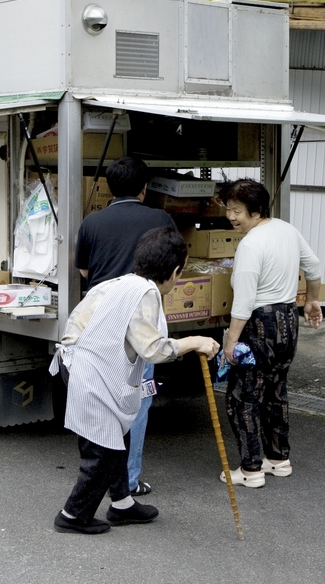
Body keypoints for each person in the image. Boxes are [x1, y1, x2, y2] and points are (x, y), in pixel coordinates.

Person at [51, 227, 219, 534]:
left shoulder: (123, 282)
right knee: (103, 449)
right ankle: (72, 515)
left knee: (118, 435)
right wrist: (195, 341)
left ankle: (122, 504)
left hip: (79, 363)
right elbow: (153, 349)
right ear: (175, 271)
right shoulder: (145, 293)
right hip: (88, 371)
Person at [75, 156, 175, 497]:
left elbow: (84, 272)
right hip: (138, 322)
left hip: (99, 324)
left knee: (101, 403)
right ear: (145, 188)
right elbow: (170, 266)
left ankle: (99, 477)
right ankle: (128, 482)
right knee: (137, 402)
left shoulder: (91, 222)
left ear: (109, 187)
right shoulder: (160, 219)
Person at [219, 178, 323, 489]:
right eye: (228, 209)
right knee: (276, 390)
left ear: (256, 210)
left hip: (259, 324)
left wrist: (231, 341)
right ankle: (278, 459)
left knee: (244, 397)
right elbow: (314, 266)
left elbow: (244, 300)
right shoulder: (286, 230)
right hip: (288, 320)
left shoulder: (251, 244)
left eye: (237, 211)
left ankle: (251, 469)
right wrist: (312, 301)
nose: (231, 216)